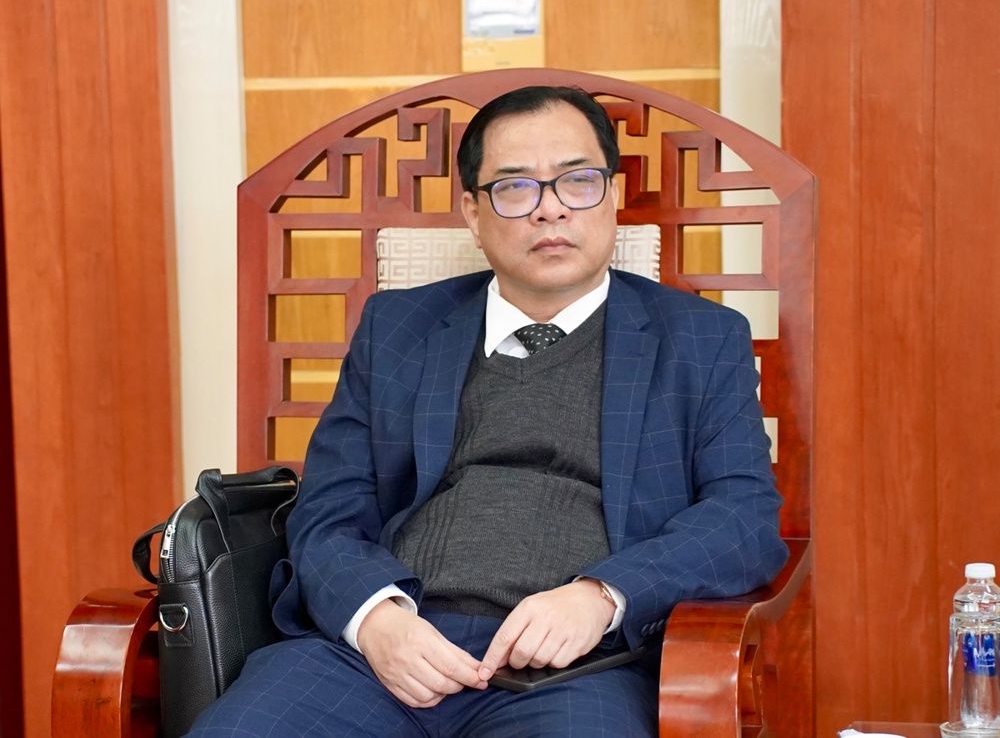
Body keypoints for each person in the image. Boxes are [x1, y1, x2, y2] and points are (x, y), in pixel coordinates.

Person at [188, 85, 788, 737]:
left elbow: (744, 516)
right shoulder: (398, 328)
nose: (551, 208)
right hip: (381, 655)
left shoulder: (700, 338)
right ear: (474, 214)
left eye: (577, 180)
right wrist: (376, 618)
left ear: (612, 196)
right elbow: (328, 508)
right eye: (516, 188)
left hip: (578, 669)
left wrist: (602, 595)